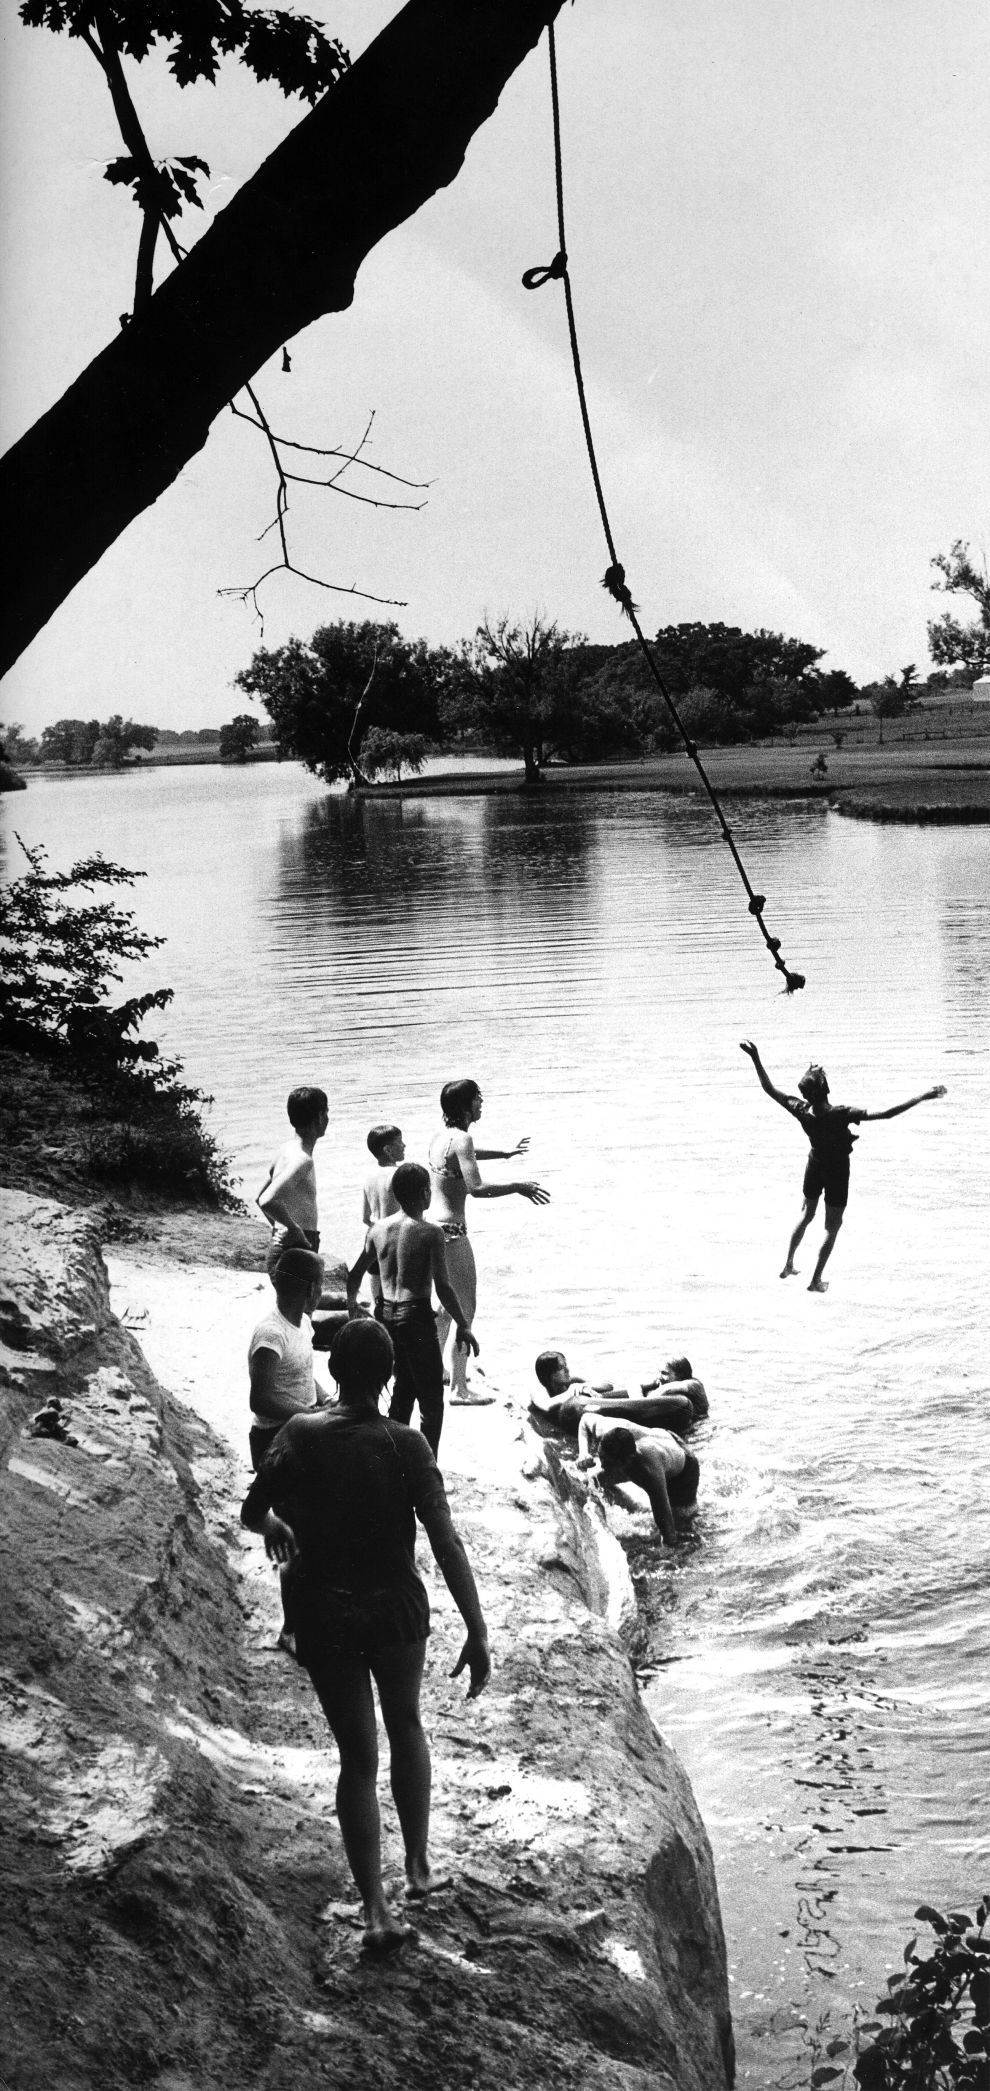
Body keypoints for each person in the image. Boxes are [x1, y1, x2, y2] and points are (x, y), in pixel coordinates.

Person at [240, 1319, 491, 1955]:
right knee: (405, 1724)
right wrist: (476, 1624)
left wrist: (278, 1525)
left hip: (324, 1608)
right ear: (387, 1378)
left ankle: (376, 1911)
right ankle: (417, 1868)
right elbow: (444, 1537)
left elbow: (251, 1511)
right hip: (394, 1610)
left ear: (336, 1369)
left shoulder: (299, 1433)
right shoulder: (405, 1443)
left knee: (357, 1757)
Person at [740, 1040, 947, 1292]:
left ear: (806, 1094)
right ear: (826, 1089)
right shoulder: (841, 1113)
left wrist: (755, 1057)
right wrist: (923, 1096)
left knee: (806, 1215)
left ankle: (788, 1263)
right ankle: (815, 1280)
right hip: (837, 1171)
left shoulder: (801, 1110)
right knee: (832, 1227)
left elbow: (769, 1089)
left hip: (814, 1165)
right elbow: (887, 1114)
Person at [346, 1161, 481, 1456]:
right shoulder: (430, 1232)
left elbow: (355, 1274)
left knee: (403, 1389)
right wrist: (464, 1325)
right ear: (425, 1193)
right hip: (415, 1316)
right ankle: (425, 1461)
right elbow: (444, 1288)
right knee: (431, 1399)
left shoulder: (378, 1230)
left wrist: (352, 1307)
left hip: (385, 1315)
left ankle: (393, 1457)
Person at [429, 1077, 548, 1402]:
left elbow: (464, 1156)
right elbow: (476, 1188)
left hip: (433, 1228)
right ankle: (459, 1389)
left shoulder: (442, 1137)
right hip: (454, 1232)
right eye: (478, 1099)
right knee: (464, 1309)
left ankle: (432, 1372)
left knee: (442, 1307)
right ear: (466, 1105)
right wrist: (517, 1187)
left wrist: (505, 1153)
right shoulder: (463, 1139)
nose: (482, 1104)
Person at [247, 1247, 330, 1654]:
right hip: (275, 1441)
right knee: (292, 1539)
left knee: (312, 1530)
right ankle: (291, 1630)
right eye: (321, 1284)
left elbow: (303, 1377)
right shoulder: (270, 1334)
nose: (322, 1292)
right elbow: (260, 1400)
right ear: (310, 1289)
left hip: (300, 1433)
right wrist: (309, 1414)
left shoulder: (303, 1326)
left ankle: (308, 1615)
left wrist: (325, 1399)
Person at [578, 1417, 700, 1545]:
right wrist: (583, 1453)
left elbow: (664, 1517)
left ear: (629, 1461)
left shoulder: (649, 1471)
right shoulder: (607, 1429)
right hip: (662, 1438)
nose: (602, 1466)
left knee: (680, 1519)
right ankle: (633, 1507)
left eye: (608, 1463)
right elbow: (585, 1420)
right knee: (592, 1482)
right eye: (601, 1457)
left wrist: (669, 1545)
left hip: (683, 1466)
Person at [530, 1350, 702, 1435]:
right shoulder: (538, 1390)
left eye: (566, 1365)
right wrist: (570, 1394)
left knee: (674, 1401)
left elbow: (608, 1386)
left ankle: (646, 1400)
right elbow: (546, 1407)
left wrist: (584, 1386)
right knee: (679, 1404)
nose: (567, 1370)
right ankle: (644, 1406)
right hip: (578, 1415)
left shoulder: (572, 1381)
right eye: (561, 1368)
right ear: (548, 1375)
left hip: (595, 1406)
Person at [256, 1086, 329, 1282]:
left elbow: (259, 1197)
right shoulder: (302, 1160)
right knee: (301, 1310)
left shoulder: (286, 1150)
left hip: (285, 1245)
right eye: (327, 1111)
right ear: (319, 1117)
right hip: (297, 1247)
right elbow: (266, 1200)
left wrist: (280, 1228)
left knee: (299, 1309)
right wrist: (294, 1229)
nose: (328, 1118)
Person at [358, 1124, 404, 1314]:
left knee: (379, 1302)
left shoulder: (369, 1176)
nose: (404, 1145)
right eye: (399, 1142)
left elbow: (365, 1217)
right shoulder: (399, 1175)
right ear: (388, 1150)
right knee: (399, 1302)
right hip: (395, 1241)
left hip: (374, 1241)